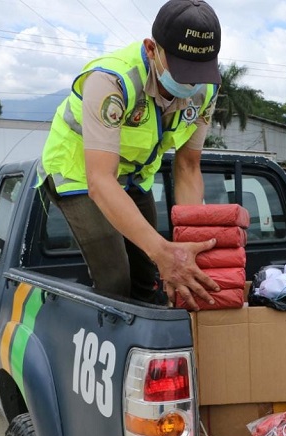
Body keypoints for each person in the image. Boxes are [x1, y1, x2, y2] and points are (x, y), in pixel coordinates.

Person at [37, 0, 223, 310]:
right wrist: (163, 252)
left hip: (134, 176)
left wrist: (188, 246)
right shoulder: (111, 81)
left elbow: (189, 168)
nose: (190, 83)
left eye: (198, 72)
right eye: (181, 70)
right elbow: (100, 180)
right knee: (116, 280)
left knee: (149, 277)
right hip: (80, 171)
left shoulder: (205, 90)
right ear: (152, 49)